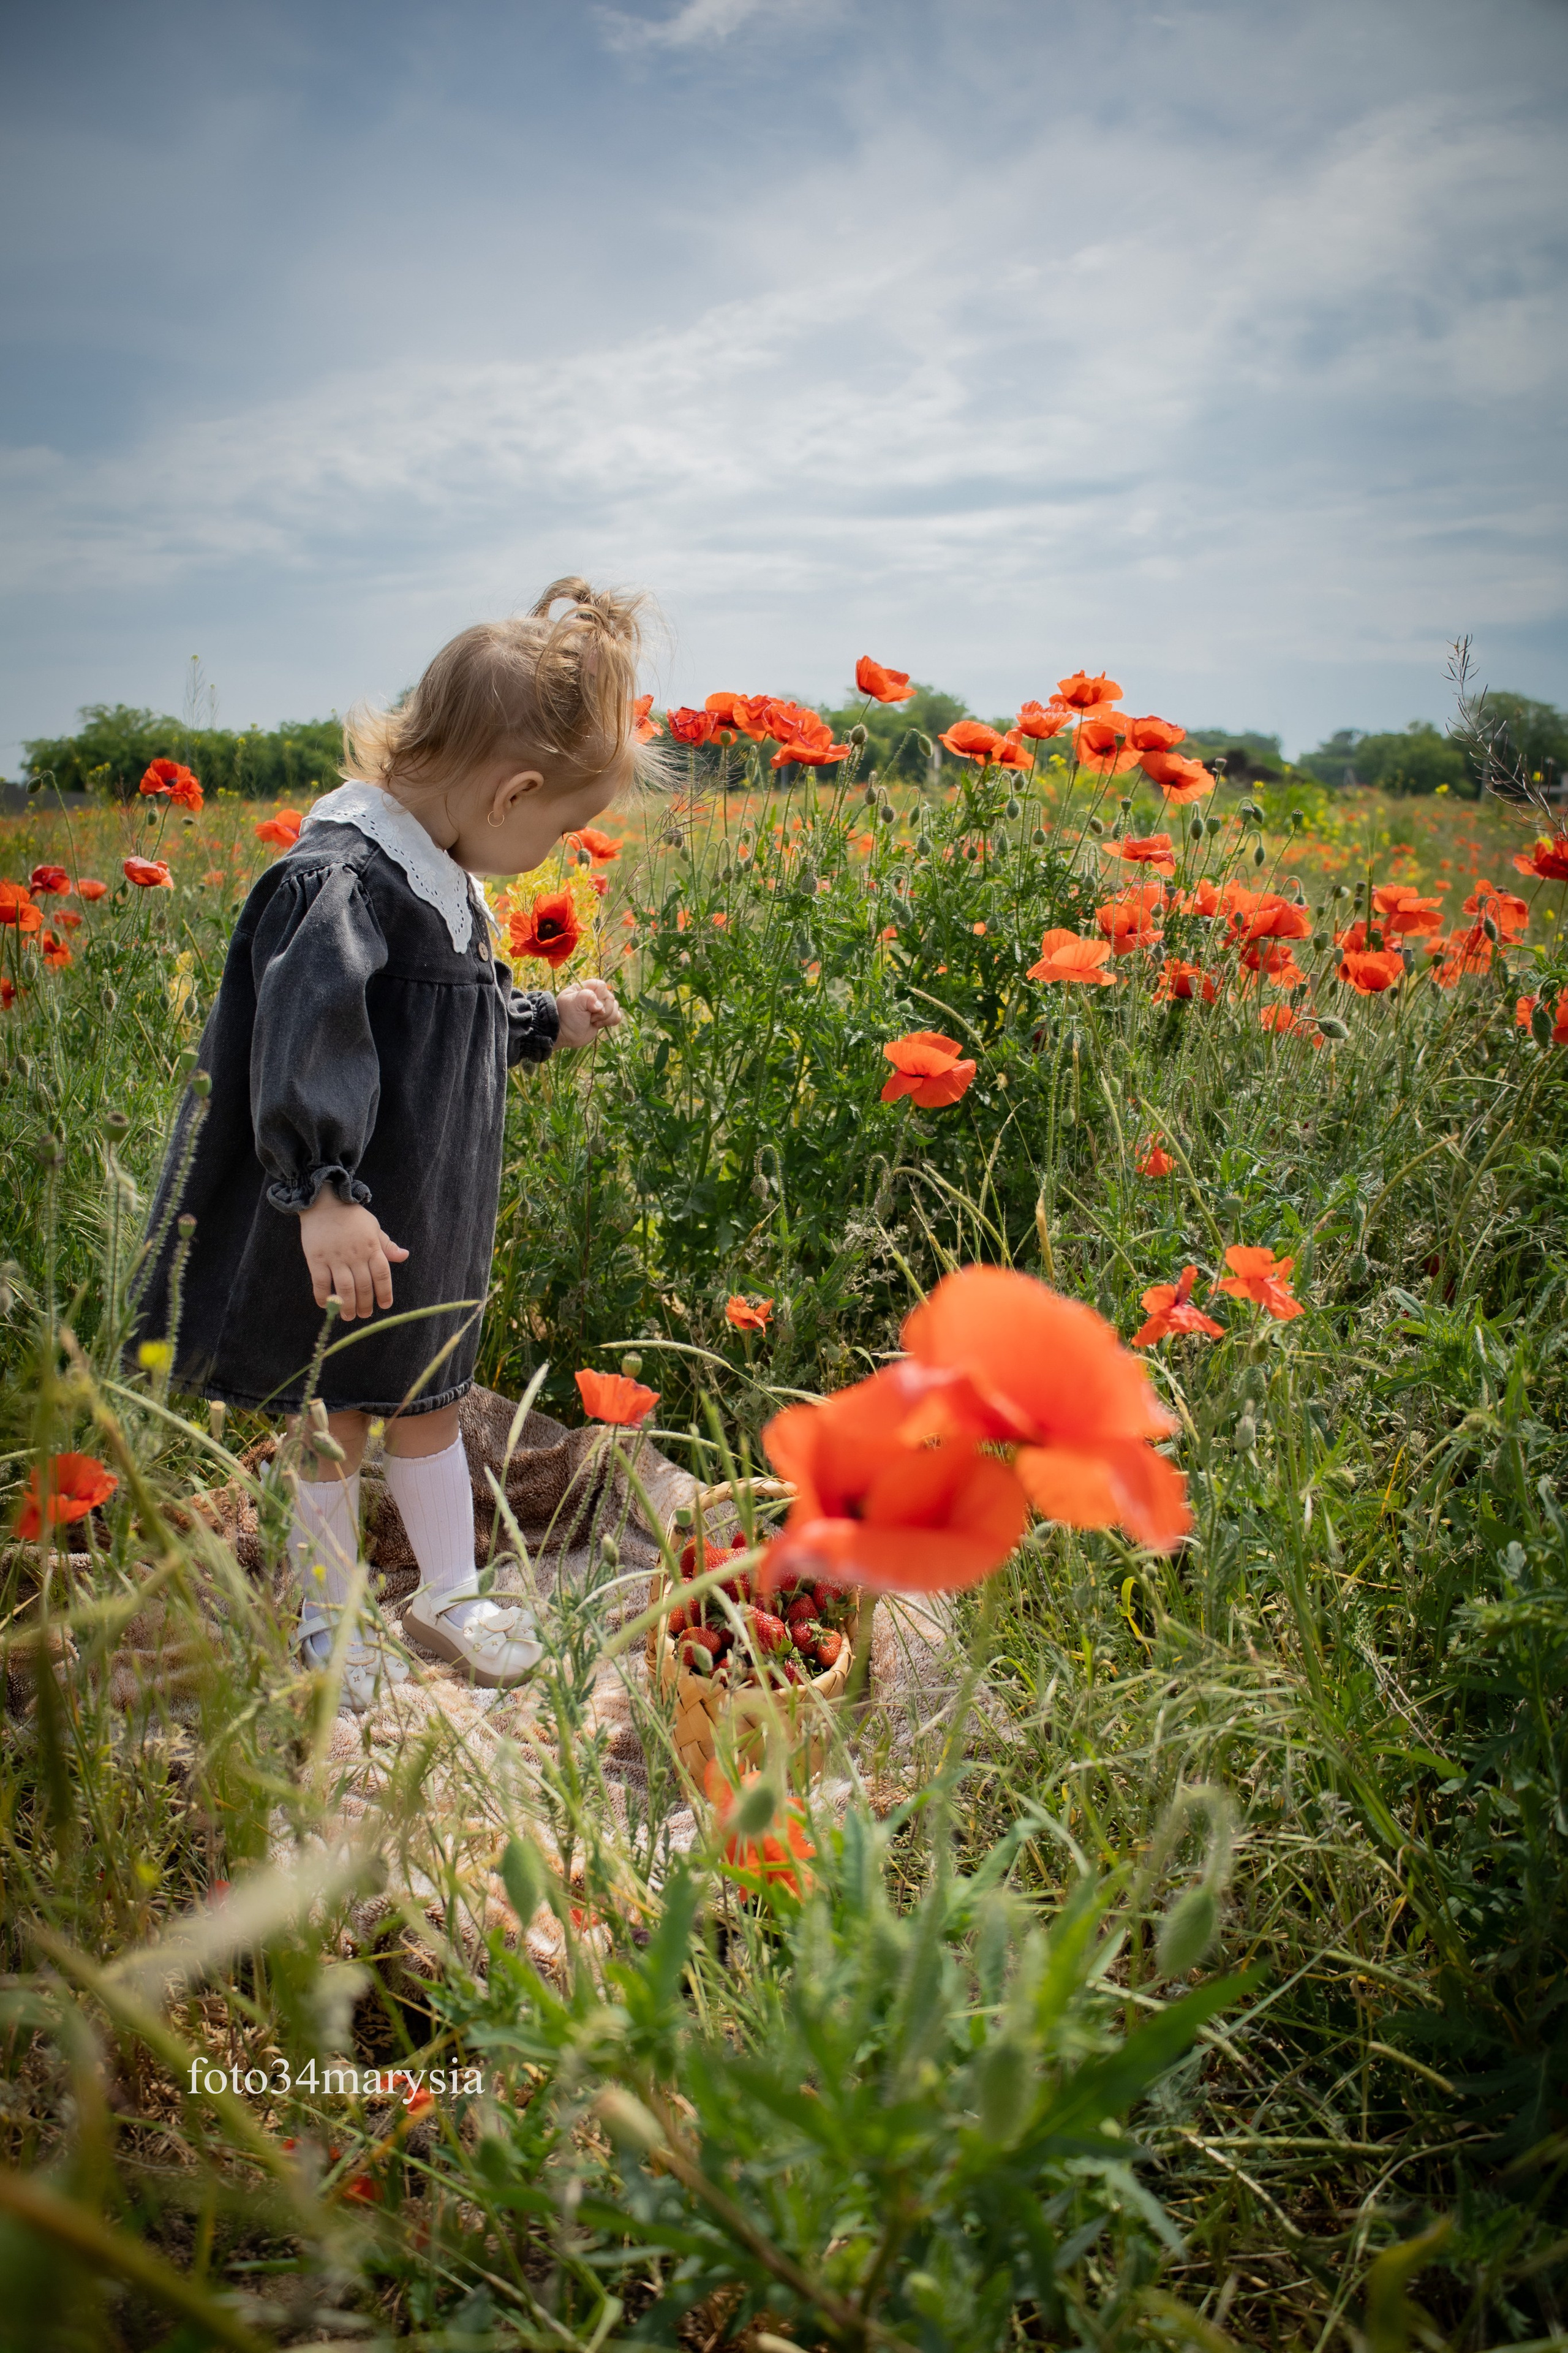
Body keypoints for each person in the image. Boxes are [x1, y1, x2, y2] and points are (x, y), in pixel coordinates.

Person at [135, 580, 640, 1708]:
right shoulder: (344, 877)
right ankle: (329, 1618)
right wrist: (321, 1189)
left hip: (420, 1222)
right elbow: (303, 1035)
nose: (554, 848)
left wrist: (545, 1017)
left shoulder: (435, 875)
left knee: (425, 1399)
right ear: (511, 789)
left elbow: (443, 1015)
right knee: (337, 1417)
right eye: (557, 827)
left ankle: (446, 1594)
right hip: (350, 1221)